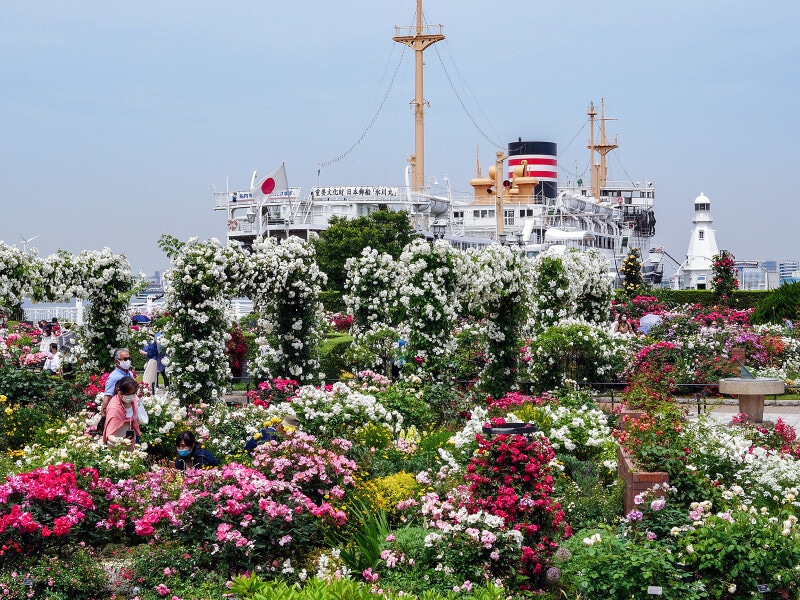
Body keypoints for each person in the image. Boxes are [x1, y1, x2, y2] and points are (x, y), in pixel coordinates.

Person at [102, 377, 141, 448]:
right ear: (119, 391)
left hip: (130, 443)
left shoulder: (133, 402)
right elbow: (109, 434)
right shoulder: (114, 408)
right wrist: (119, 441)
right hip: (115, 446)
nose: (131, 396)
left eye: (133, 393)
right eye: (128, 394)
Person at [101, 348, 135, 417]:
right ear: (117, 361)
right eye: (125, 359)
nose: (128, 361)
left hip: (129, 411)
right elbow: (107, 398)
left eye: (129, 359)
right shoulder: (114, 378)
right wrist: (103, 417)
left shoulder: (130, 374)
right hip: (118, 413)